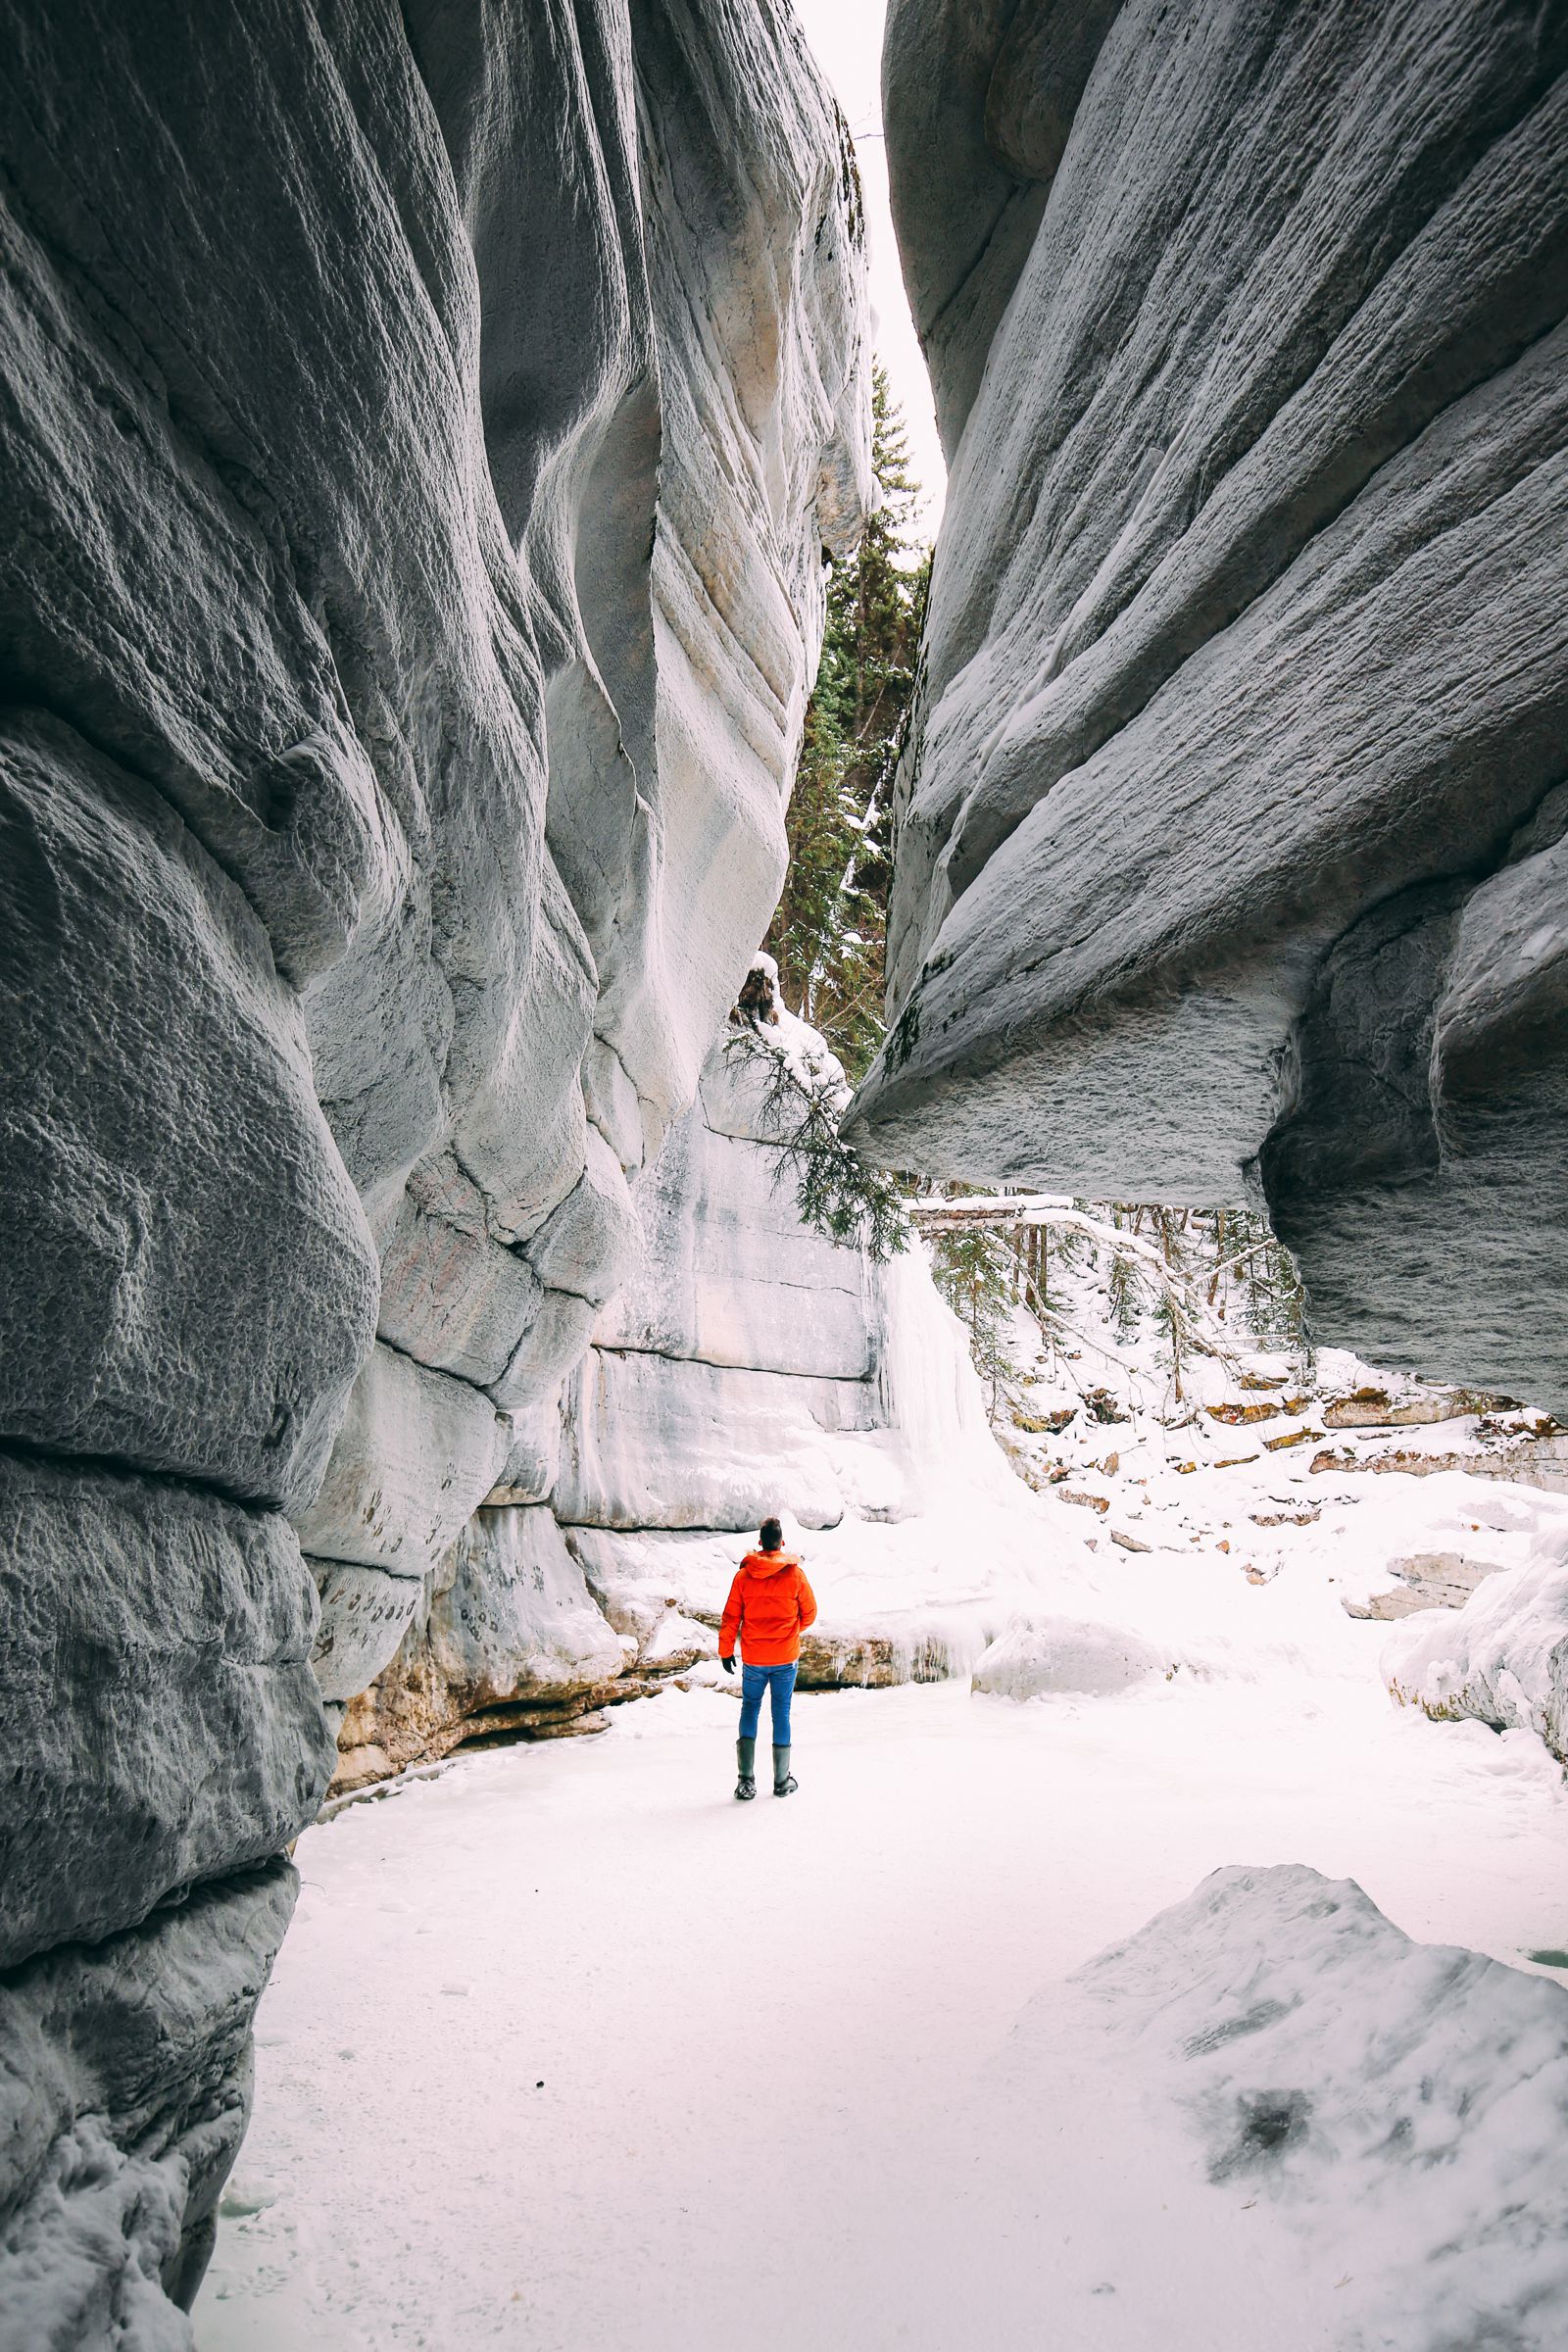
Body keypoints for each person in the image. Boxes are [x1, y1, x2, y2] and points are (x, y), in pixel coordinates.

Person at [719, 1516, 816, 1800]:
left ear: (760, 1542)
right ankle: (781, 1781)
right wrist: (789, 1632)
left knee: (750, 1709)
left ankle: (746, 1782)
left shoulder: (744, 1576)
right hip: (785, 1658)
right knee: (781, 1713)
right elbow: (809, 1613)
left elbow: (730, 1617)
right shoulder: (795, 1575)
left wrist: (726, 1650)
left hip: (754, 1658)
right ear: (781, 1542)